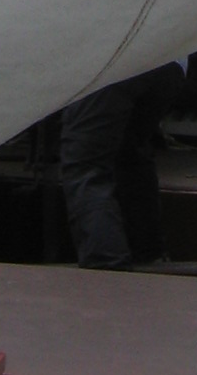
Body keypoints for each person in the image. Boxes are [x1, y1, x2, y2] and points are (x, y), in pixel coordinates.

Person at [59, 59, 187, 269]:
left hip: (111, 59)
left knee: (87, 166)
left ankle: (106, 267)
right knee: (131, 154)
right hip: (170, 59)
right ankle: (149, 255)